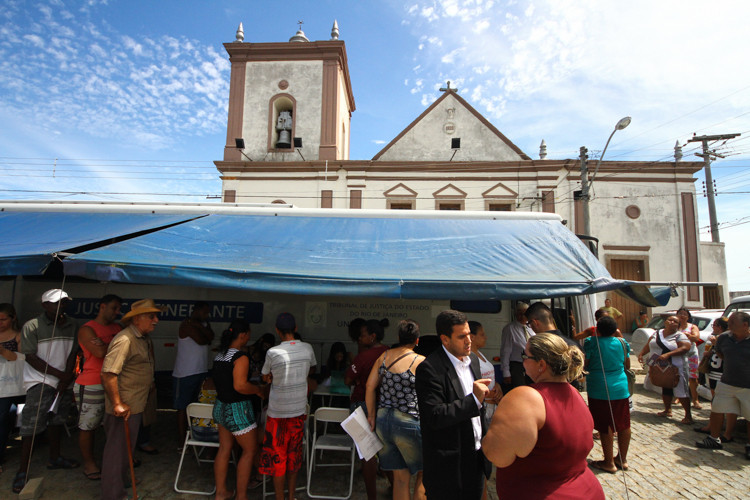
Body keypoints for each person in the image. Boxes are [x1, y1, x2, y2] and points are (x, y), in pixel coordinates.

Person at [482, 333, 605, 499]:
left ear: (541, 364)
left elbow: (497, 455)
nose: (522, 361)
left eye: (525, 356)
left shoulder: (525, 397)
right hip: (586, 490)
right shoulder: (574, 393)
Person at [415, 310, 491, 500]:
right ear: (445, 339)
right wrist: (473, 400)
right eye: (462, 336)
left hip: (475, 458)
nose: (468, 341)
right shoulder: (430, 368)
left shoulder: (472, 360)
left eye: (469, 335)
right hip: (448, 466)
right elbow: (435, 415)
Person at [13, 289, 80, 495]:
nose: (61, 306)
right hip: (40, 381)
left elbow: (73, 353)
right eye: (56, 303)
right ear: (45, 305)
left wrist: (67, 375)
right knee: (31, 427)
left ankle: (55, 457)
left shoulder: (72, 324)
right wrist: (60, 375)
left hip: (64, 381)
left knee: (57, 421)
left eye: (64, 302)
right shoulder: (32, 326)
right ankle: (23, 470)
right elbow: (31, 357)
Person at [100, 299, 162, 500]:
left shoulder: (141, 338)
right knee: (116, 454)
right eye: (151, 316)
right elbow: (108, 373)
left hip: (134, 405)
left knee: (125, 450)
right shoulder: (125, 339)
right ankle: (113, 495)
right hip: (124, 408)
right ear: (137, 319)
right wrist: (117, 403)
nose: (156, 320)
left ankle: (123, 481)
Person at [365, 319, 426, 500]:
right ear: (417, 340)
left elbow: (369, 386)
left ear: (399, 337)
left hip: (384, 422)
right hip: (409, 421)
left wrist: (371, 416)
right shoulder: (420, 361)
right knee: (424, 475)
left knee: (400, 478)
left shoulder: (384, 357)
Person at [259, 313, 317, 500]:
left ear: (277, 330)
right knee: (294, 458)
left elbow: (265, 377)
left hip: (276, 413)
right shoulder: (307, 348)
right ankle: (291, 496)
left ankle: (279, 498)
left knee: (278, 459)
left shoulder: (272, 352)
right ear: (296, 328)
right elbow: (312, 369)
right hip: (298, 412)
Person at [212, 320, 265, 500]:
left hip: (220, 407)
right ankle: (241, 496)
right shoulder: (240, 357)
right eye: (249, 334)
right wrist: (257, 390)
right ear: (243, 335)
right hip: (237, 410)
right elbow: (241, 385)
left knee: (224, 448)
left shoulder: (220, 355)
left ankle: (221, 492)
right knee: (249, 451)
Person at [74, 294, 123, 480]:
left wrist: (107, 343)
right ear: (102, 306)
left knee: (112, 424)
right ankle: (89, 463)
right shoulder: (87, 329)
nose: (117, 312)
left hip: (114, 382)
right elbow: (99, 351)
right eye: (114, 308)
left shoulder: (117, 327)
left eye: (119, 309)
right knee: (88, 425)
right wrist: (115, 343)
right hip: (91, 383)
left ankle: (113, 461)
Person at [344, 317, 389, 500]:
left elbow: (347, 379)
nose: (359, 339)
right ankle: (395, 488)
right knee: (386, 452)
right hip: (384, 406)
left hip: (360, 405)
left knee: (367, 454)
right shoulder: (389, 352)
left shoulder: (363, 357)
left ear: (372, 337)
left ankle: (372, 496)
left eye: (362, 336)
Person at [696, 312, 750, 460]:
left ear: (745, 325)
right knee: (717, 409)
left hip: (748, 386)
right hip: (727, 382)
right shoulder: (724, 338)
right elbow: (719, 352)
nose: (729, 325)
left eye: (733, 322)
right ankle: (713, 439)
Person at [584, 316, 632, 473]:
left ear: (597, 329)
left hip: (599, 388)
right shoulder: (622, 342)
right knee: (624, 424)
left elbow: (587, 364)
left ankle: (608, 462)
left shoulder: (591, 342)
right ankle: (622, 459)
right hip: (620, 387)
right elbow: (627, 364)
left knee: (605, 426)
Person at [637, 315, 693, 424]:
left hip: (676, 365)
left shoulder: (679, 335)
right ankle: (667, 410)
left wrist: (668, 354)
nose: (672, 322)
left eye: (675, 321)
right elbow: (649, 344)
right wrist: (642, 354)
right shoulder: (657, 333)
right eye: (670, 320)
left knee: (681, 389)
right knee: (665, 386)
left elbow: (685, 347)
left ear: (678, 325)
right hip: (658, 364)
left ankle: (688, 415)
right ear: (665, 322)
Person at [468, 320, 502, 500]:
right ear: (471, 337)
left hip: (491, 408)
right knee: (483, 456)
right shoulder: (468, 360)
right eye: (481, 334)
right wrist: (490, 396)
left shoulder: (480, 355)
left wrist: (499, 391)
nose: (485, 337)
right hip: (483, 410)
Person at [174, 301, 214, 442]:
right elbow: (202, 340)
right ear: (196, 311)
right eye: (204, 312)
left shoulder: (200, 324)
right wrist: (202, 329)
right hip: (185, 373)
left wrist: (199, 326)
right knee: (183, 407)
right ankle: (180, 440)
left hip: (200, 371)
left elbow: (211, 337)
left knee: (197, 406)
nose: (206, 315)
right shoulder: (186, 325)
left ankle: (195, 436)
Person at [695, 317, 737, 440]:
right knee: (715, 401)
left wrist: (715, 345)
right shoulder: (719, 337)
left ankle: (727, 433)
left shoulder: (729, 338)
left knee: (729, 404)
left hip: (723, 373)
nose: (713, 327)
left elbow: (729, 355)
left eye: (714, 325)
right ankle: (712, 426)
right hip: (713, 372)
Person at [525, 302, 582, 390]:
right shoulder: (573, 344)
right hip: (570, 395)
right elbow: (581, 376)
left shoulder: (535, 347)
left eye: (529, 324)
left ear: (535, 322)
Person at [0, 303, 23, 473]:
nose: (0, 323)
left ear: (13, 318)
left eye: (3, 319)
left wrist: (1, 350)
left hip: (8, 385)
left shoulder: (18, 336)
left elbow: (20, 359)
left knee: (3, 418)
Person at [499, 302, 534, 390]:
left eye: (524, 313)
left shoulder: (531, 328)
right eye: (519, 313)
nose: (522, 316)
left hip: (531, 364)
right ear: (515, 314)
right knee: (520, 389)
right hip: (517, 366)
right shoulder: (510, 328)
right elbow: (505, 351)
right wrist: (506, 372)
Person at [675, 307, 703, 410]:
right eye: (680, 313)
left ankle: (695, 399)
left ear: (688, 317)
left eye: (684, 314)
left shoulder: (692, 327)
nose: (682, 316)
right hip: (679, 354)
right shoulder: (674, 327)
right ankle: (679, 396)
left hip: (691, 354)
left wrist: (688, 336)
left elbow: (696, 338)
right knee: (678, 376)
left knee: (693, 377)